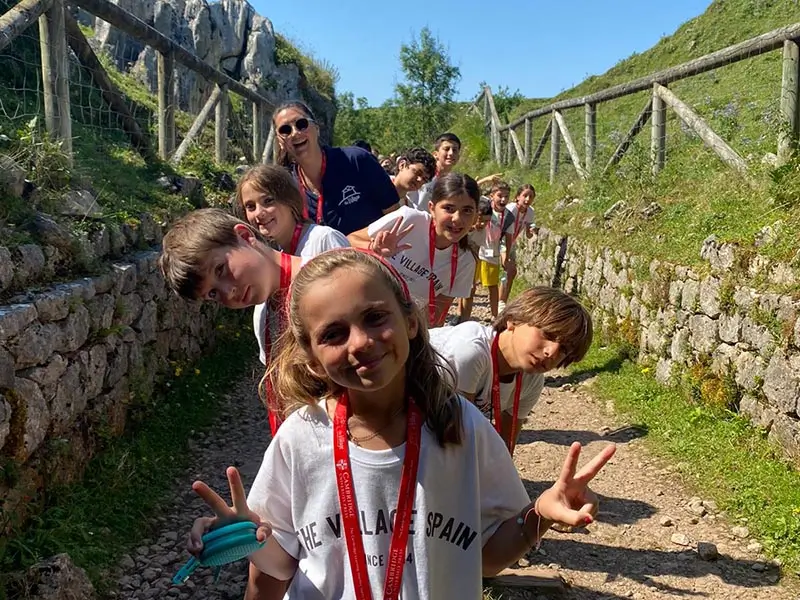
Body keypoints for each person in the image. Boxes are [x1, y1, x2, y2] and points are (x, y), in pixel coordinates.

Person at [186, 248, 615, 599]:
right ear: (311, 353)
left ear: (411, 321)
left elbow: (486, 558)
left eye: (375, 318)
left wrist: (538, 514)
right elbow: (277, 567)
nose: (360, 342)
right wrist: (249, 536)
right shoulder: (301, 437)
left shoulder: (461, 428)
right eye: (333, 334)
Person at [431, 286, 592, 453]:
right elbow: (453, 440)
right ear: (513, 320)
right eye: (548, 335)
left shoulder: (532, 381)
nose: (551, 352)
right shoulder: (470, 351)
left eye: (564, 350)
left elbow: (505, 449)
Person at [348, 173, 479, 327]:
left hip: (399, 326)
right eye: (449, 208)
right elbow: (349, 239)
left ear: (476, 216)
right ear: (432, 208)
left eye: (467, 210)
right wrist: (373, 248)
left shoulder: (465, 261)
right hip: (360, 307)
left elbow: (437, 315)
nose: (457, 218)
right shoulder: (409, 220)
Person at [271, 101, 399, 235]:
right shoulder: (287, 186)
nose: (295, 133)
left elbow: (395, 216)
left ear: (317, 128)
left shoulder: (357, 160)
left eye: (301, 124)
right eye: (285, 130)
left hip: (373, 254)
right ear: (280, 142)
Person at [477, 180, 515, 318]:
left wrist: (507, 257)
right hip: (475, 250)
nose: (503, 199)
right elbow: (474, 189)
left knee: (492, 285)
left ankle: (494, 316)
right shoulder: (483, 205)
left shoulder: (509, 216)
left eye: (506, 196)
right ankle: (461, 314)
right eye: (500, 195)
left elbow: (508, 238)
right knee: (469, 285)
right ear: (492, 196)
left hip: (491, 254)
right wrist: (487, 179)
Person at [499, 184, 537, 312]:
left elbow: (527, 233)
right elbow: (503, 231)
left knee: (511, 272)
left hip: (512, 242)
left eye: (530, 196)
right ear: (517, 197)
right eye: (525, 196)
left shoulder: (530, 212)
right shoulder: (510, 209)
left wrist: (532, 231)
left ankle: (502, 301)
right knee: (508, 269)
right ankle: (500, 302)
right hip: (501, 240)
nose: (527, 199)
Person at [456, 196, 493, 324]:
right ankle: (455, 314)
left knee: (470, 290)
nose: (482, 224)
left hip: (468, 262)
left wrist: (472, 277)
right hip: (454, 260)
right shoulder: (460, 227)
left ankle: (464, 320)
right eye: (480, 220)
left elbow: (476, 253)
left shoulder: (482, 233)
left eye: (486, 222)